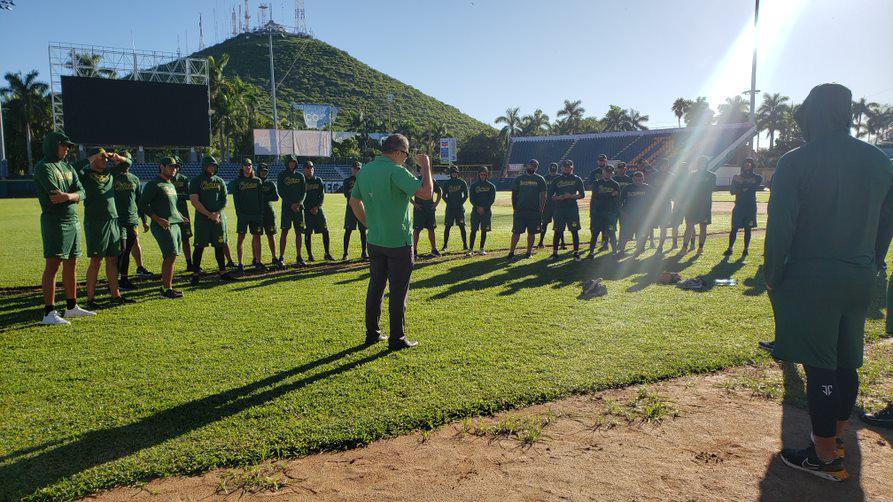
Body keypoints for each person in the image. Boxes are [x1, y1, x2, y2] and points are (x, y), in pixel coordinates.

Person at [765, 83, 893, 481]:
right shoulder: (880, 161)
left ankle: (823, 457)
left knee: (819, 367)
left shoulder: (796, 161)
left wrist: (772, 276)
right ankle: (835, 440)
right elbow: (887, 222)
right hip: (860, 276)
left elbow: (780, 228)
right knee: (847, 361)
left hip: (812, 276)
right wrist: (872, 260)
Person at [348, 134, 434, 350]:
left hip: (375, 240)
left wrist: (369, 224)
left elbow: (354, 201)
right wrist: (426, 166)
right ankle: (397, 338)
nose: (405, 159)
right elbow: (427, 193)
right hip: (398, 242)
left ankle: (372, 334)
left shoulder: (366, 170)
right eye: (405, 155)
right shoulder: (396, 171)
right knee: (398, 290)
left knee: (375, 287)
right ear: (397, 151)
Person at [34, 131, 94, 324]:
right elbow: (54, 196)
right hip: (55, 222)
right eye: (64, 145)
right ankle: (49, 312)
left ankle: (71, 307)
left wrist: (69, 196)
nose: (67, 149)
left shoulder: (67, 166)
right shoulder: (44, 167)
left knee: (72, 263)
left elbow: (82, 192)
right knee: (53, 265)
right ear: (53, 145)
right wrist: (72, 196)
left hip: (73, 220)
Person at [78, 148, 133, 309]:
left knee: (113, 259)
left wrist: (117, 157)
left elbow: (129, 163)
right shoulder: (85, 174)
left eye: (106, 158)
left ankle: (116, 295)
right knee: (96, 260)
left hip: (113, 220)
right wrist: (91, 158)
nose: (106, 160)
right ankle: (90, 299)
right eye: (102, 157)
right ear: (94, 158)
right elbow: (73, 169)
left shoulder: (110, 173)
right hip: (95, 222)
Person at [139, 156, 185, 298]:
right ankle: (166, 289)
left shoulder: (171, 184)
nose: (174, 169)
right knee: (170, 255)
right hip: (163, 226)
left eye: (176, 167)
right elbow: (142, 204)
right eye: (171, 166)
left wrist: (179, 215)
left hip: (175, 224)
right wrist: (157, 219)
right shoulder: (154, 184)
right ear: (162, 166)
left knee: (173, 255)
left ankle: (168, 287)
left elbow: (171, 205)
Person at [189, 155, 236, 284]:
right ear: (204, 166)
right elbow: (194, 201)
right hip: (202, 220)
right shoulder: (196, 181)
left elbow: (224, 200)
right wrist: (209, 214)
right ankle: (195, 274)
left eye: (214, 165)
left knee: (219, 245)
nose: (212, 167)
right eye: (210, 165)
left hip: (218, 219)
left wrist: (216, 213)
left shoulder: (219, 181)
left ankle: (223, 272)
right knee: (199, 247)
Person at [111, 151, 146, 291]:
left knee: (126, 251)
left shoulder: (135, 179)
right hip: (117, 219)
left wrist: (144, 220)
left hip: (132, 220)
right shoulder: (112, 176)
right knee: (120, 250)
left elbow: (139, 201)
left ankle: (124, 279)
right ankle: (115, 281)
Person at [508, 159, 547, 259]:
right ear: (527, 165)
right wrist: (515, 208)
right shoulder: (519, 178)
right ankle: (511, 252)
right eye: (531, 165)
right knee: (516, 232)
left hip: (534, 211)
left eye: (535, 166)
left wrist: (541, 210)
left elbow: (543, 196)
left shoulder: (540, 179)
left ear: (537, 168)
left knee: (532, 232)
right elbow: (514, 194)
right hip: (520, 210)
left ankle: (528, 252)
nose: (533, 167)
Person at [231, 159, 265, 272]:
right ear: (242, 167)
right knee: (241, 238)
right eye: (245, 165)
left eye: (250, 165)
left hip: (256, 214)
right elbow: (236, 200)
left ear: (252, 167)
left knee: (257, 237)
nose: (248, 167)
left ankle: (258, 262)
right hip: (243, 215)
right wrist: (239, 214)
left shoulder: (257, 181)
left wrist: (260, 213)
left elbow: (261, 199)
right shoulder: (238, 181)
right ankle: (240, 264)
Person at [548, 159, 585, 261]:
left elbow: (582, 195)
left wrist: (571, 196)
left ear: (572, 168)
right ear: (562, 168)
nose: (567, 168)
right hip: (560, 209)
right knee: (557, 231)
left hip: (572, 209)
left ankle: (576, 253)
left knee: (574, 230)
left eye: (569, 167)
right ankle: (555, 253)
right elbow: (550, 196)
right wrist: (559, 198)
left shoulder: (577, 179)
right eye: (565, 167)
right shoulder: (556, 180)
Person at [724, 158, 762, 257]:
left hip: (750, 206)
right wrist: (744, 188)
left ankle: (746, 249)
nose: (747, 166)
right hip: (739, 206)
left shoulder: (757, 177)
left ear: (752, 166)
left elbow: (755, 186)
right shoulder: (736, 177)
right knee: (734, 228)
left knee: (748, 228)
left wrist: (742, 186)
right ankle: (730, 248)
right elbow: (732, 191)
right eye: (746, 164)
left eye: (750, 164)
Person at [277, 154, 307, 267]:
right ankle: (281, 258)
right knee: (284, 231)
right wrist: (291, 204)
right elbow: (281, 191)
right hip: (287, 208)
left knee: (299, 232)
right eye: (290, 162)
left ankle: (299, 256)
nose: (292, 164)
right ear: (286, 163)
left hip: (299, 208)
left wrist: (298, 203)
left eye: (294, 162)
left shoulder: (300, 176)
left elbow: (304, 192)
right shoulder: (282, 175)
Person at [682, 156, 716, 254]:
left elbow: (710, 188)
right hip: (692, 205)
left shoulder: (711, 176)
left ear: (706, 164)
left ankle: (700, 248)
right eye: (700, 163)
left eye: (704, 163)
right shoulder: (691, 175)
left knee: (703, 227)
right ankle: (684, 247)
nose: (702, 165)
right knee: (689, 226)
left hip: (705, 205)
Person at [587, 164, 620, 258]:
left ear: (612, 173)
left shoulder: (615, 184)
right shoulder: (596, 183)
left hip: (610, 213)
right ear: (603, 172)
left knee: (612, 233)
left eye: (610, 172)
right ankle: (591, 252)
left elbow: (617, 199)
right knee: (595, 233)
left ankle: (614, 252)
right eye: (606, 172)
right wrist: (610, 194)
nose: (608, 174)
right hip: (598, 213)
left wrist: (616, 213)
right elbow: (596, 197)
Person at [303, 161, 333, 261]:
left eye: (311, 167)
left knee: (325, 230)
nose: (310, 169)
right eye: (307, 167)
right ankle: (310, 255)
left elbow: (322, 195)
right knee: (308, 232)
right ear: (304, 169)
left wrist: (317, 206)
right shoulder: (302, 181)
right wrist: (309, 208)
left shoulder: (318, 180)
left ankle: (327, 253)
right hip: (306, 211)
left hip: (318, 209)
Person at [618, 171, 651, 257]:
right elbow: (619, 202)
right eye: (636, 180)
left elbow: (653, 202)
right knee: (625, 235)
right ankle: (621, 251)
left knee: (640, 234)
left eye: (640, 180)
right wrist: (623, 213)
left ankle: (638, 250)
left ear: (643, 179)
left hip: (642, 216)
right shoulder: (627, 188)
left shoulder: (647, 188)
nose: (638, 182)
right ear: (633, 179)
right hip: (629, 216)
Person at [169, 159, 193, 272]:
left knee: (186, 239)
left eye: (177, 166)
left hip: (183, 211)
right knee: (170, 241)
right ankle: (169, 266)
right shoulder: (165, 179)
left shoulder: (183, 178)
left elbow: (188, 195)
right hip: (169, 214)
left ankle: (189, 263)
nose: (175, 168)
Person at [412, 165, 442, 257]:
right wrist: (415, 204)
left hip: (429, 210)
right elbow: (407, 193)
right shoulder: (416, 180)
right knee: (416, 230)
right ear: (420, 170)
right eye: (423, 169)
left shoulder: (432, 181)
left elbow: (440, 192)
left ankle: (434, 249)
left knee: (431, 229)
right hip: (419, 211)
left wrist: (436, 203)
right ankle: (414, 251)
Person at [341, 161, 368, 261]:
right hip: (351, 208)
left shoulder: (364, 180)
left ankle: (364, 252)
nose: (356, 170)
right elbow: (346, 194)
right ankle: (345, 253)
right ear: (352, 169)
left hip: (362, 207)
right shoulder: (347, 181)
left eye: (358, 168)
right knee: (348, 230)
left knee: (363, 231)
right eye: (355, 168)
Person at [468, 166, 496, 255]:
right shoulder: (474, 186)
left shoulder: (491, 186)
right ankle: (470, 249)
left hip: (486, 212)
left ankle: (482, 248)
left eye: (484, 174)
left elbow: (492, 199)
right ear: (479, 175)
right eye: (481, 174)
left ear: (487, 174)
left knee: (484, 230)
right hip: (476, 211)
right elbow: (471, 198)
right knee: (473, 230)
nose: (483, 176)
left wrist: (484, 208)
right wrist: (478, 207)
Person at [440, 166, 469, 252]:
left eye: (455, 172)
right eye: (453, 172)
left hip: (459, 209)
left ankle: (465, 245)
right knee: (447, 226)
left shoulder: (462, 182)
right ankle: (445, 245)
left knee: (462, 226)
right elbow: (443, 195)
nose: (454, 174)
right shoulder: (447, 183)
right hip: (450, 209)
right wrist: (449, 203)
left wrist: (460, 203)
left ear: (457, 173)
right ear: (450, 174)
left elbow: (466, 195)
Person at [258, 163, 280, 267]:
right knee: (256, 236)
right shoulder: (254, 183)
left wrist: (263, 197)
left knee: (271, 235)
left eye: (265, 171)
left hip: (269, 213)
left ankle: (274, 257)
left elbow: (276, 197)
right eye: (262, 171)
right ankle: (256, 258)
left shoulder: (270, 184)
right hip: (257, 213)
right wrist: (267, 196)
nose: (263, 173)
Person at [539, 162, 564, 248]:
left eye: (554, 169)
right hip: (548, 204)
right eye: (552, 169)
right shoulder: (545, 178)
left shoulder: (560, 178)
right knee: (545, 224)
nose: (553, 171)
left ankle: (562, 243)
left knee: (558, 224)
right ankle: (541, 242)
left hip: (557, 204)